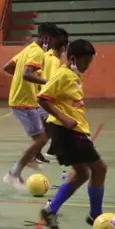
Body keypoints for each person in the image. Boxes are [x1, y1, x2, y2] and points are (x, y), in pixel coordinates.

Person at [38, 39, 102, 229]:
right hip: (67, 131)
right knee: (99, 169)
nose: (88, 65)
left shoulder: (74, 76)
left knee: (83, 174)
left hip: (73, 131)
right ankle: (96, 216)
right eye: (86, 60)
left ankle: (50, 210)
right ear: (73, 58)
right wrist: (64, 119)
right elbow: (42, 97)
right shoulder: (64, 75)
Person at [1, 23, 59, 190]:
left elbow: (8, 67)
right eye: (52, 40)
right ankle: (13, 174)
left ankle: (31, 158)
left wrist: (22, 80)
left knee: (40, 137)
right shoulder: (37, 52)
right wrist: (47, 82)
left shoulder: (28, 49)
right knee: (41, 138)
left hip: (25, 99)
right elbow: (27, 74)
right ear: (46, 38)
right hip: (23, 101)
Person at [39, 28, 68, 157]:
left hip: (40, 95)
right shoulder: (55, 62)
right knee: (56, 123)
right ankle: (47, 150)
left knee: (48, 126)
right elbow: (52, 82)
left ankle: (44, 150)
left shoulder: (46, 55)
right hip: (46, 97)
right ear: (63, 48)